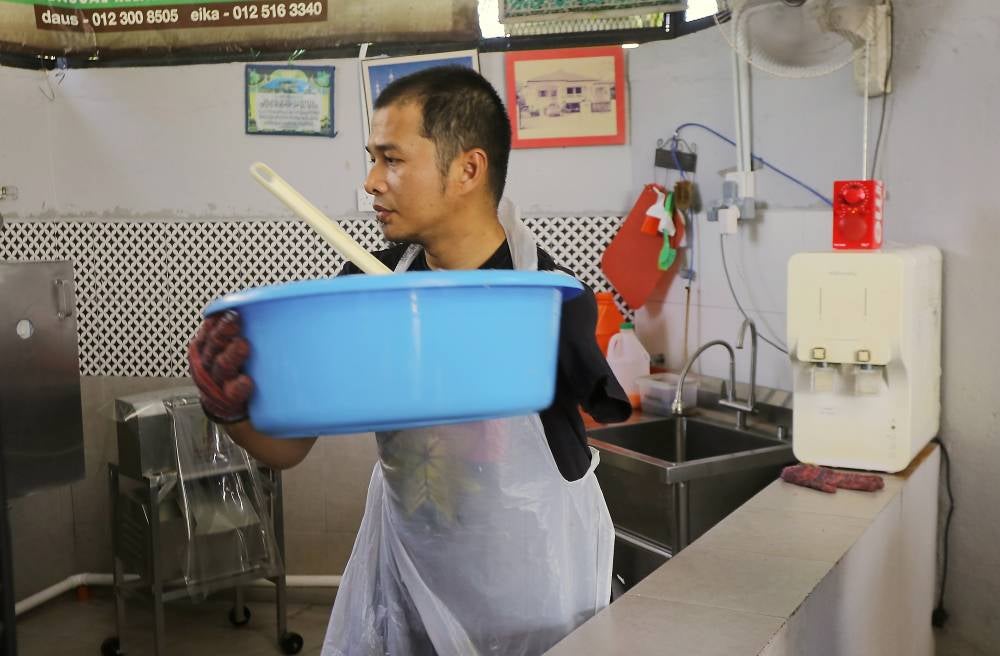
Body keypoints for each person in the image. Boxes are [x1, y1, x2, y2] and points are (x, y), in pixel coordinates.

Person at [188, 66, 631, 656]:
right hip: (410, 573)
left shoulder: (544, 298)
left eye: (391, 159)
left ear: (468, 169)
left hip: (536, 580)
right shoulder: (365, 293)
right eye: (372, 159)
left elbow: (590, 427)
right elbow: (289, 449)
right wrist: (230, 409)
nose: (370, 182)